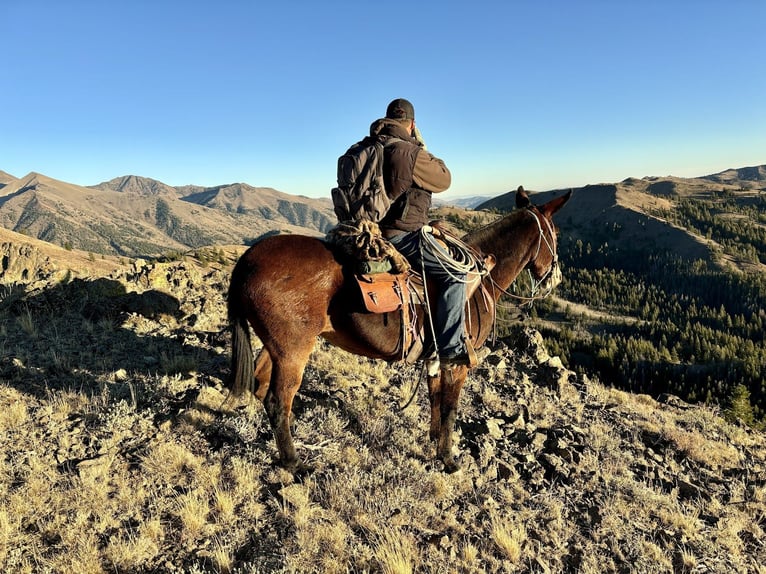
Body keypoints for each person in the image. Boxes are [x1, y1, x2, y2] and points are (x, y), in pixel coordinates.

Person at [372, 98, 472, 366]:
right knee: (456, 274)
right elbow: (444, 178)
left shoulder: (372, 147)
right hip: (403, 235)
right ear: (412, 124)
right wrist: (422, 146)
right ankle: (450, 348)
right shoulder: (410, 152)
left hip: (373, 230)